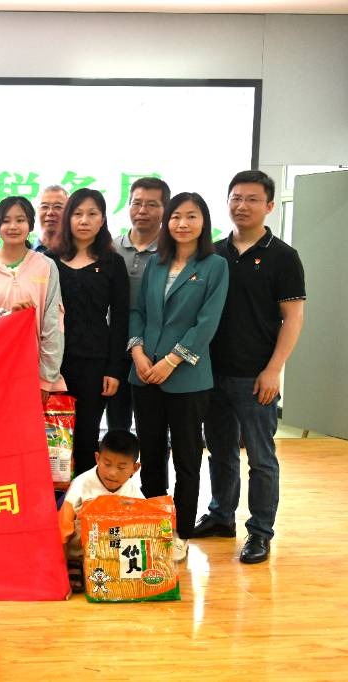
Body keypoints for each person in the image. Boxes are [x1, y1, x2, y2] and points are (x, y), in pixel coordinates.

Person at [195, 170, 306, 565]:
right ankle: (221, 516)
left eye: (252, 199)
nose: (242, 206)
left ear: (269, 206)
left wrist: (274, 370)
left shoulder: (283, 257)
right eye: (236, 198)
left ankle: (260, 531)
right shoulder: (212, 252)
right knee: (220, 452)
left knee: (260, 458)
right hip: (211, 373)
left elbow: (293, 318)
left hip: (256, 376)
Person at [129, 192, 229, 562]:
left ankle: (181, 532)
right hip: (144, 374)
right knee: (152, 455)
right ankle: (155, 527)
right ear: (166, 222)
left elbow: (207, 323)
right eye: (176, 217)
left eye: (191, 216)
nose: (182, 224)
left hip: (187, 377)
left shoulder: (215, 266)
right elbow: (138, 312)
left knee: (187, 459)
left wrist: (171, 361)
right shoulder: (156, 263)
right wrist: (138, 353)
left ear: (204, 222)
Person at [53, 188, 129, 476]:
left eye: (92, 214)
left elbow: (120, 319)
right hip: (54, 362)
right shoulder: (49, 260)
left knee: (86, 438)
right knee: (54, 438)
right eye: (77, 213)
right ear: (68, 218)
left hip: (95, 364)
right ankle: (54, 500)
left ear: (103, 220)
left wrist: (114, 369)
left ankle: (82, 499)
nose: (84, 220)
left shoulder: (112, 262)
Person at [0, 196, 65, 402]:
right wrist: (9, 316)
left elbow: (54, 325)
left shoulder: (46, 266)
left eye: (20, 220)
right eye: (6, 220)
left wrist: (46, 378)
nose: (13, 227)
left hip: (34, 373)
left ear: (30, 225)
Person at [108, 177, 171, 432]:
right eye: (136, 203)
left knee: (154, 430)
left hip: (155, 353)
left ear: (165, 209)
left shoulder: (172, 252)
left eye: (152, 204)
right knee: (117, 426)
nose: (142, 210)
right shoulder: (110, 248)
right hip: (114, 350)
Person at [58, 430, 143, 593]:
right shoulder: (81, 484)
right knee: (81, 523)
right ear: (97, 458)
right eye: (107, 464)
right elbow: (62, 530)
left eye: (121, 467)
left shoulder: (134, 491)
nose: (112, 473)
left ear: (135, 468)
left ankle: (110, 567)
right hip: (81, 548)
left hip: (112, 550)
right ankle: (75, 563)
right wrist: (60, 573)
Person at [35, 185, 69, 254]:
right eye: (44, 206)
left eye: (58, 207)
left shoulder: (78, 254)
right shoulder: (23, 253)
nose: (50, 212)